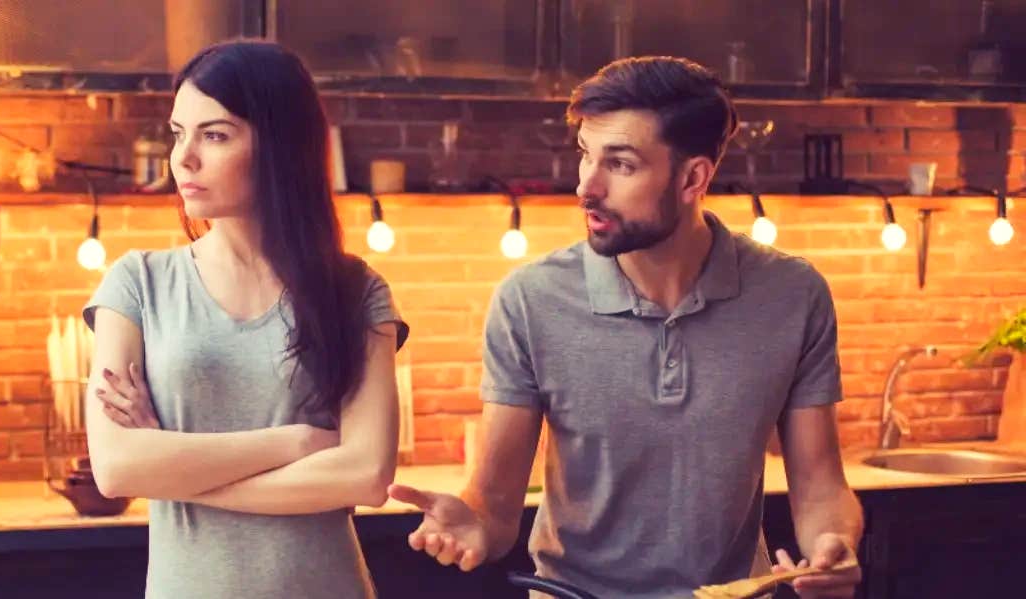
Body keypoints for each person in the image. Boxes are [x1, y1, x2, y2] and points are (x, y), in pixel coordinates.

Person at [389, 56, 863, 599]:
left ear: (693, 178)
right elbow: (493, 508)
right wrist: (472, 525)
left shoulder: (793, 295)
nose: (587, 187)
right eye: (586, 156)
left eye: (622, 165)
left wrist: (833, 542)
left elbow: (820, 483)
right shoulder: (530, 300)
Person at [82, 40, 408, 599]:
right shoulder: (137, 283)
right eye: (178, 133)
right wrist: (299, 441)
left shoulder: (355, 292)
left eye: (215, 135)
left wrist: (175, 472)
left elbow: (365, 475)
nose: (183, 158)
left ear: (281, 146)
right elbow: (117, 469)